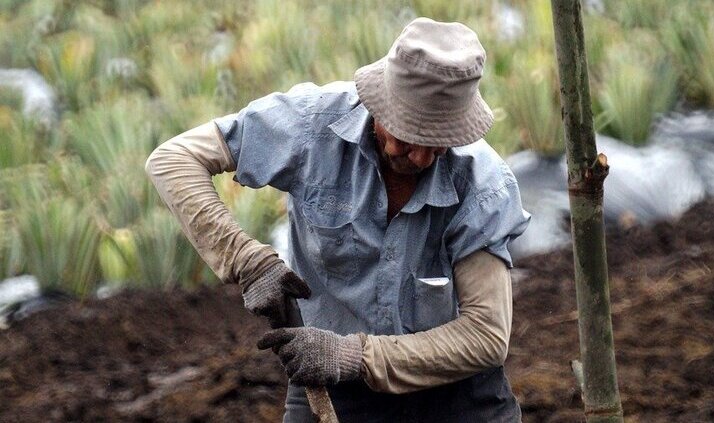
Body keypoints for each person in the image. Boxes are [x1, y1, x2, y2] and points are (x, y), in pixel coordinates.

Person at [146, 17, 530, 422]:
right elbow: (173, 160)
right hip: (329, 385)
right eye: (405, 137)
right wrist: (245, 259)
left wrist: (356, 356)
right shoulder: (310, 128)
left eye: (435, 145)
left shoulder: (482, 184)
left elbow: (485, 337)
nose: (418, 157)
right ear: (378, 105)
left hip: (454, 391)